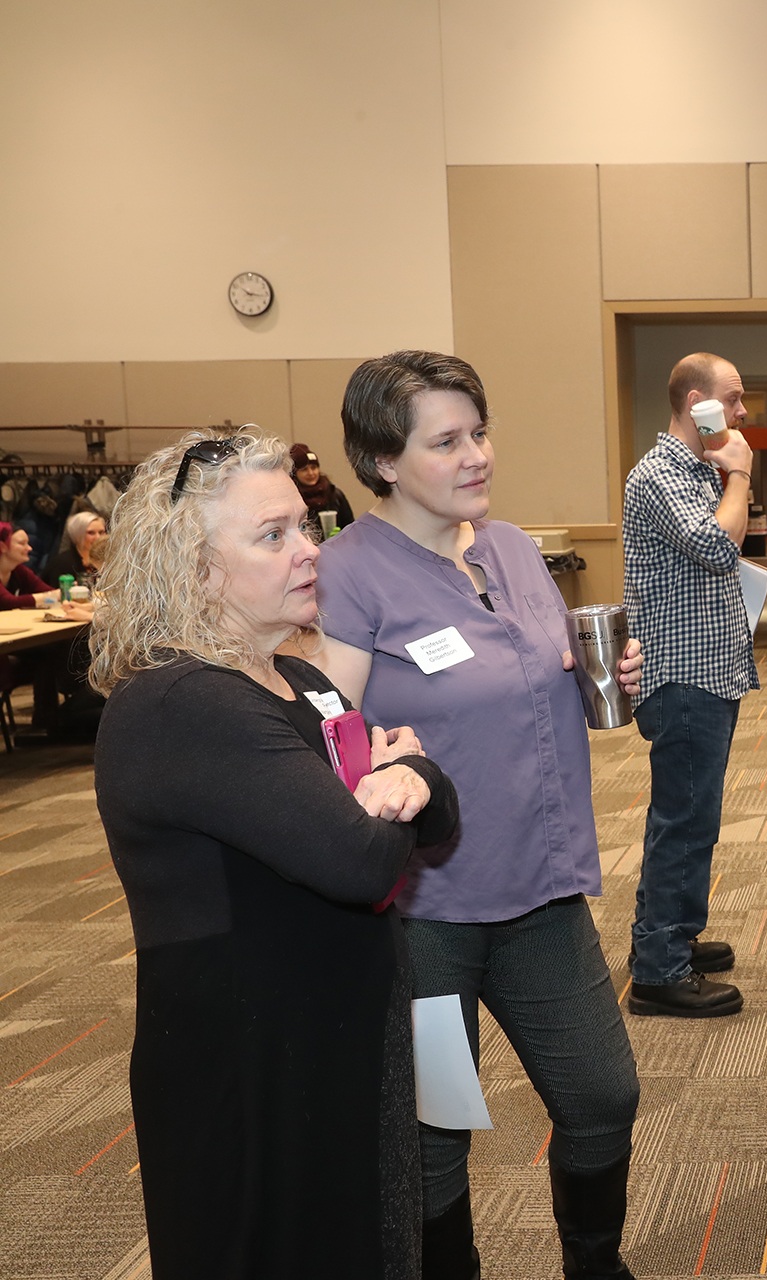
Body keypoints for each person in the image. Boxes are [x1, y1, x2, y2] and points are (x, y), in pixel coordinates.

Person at [89, 431, 459, 1280]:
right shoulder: (180, 702)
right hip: (252, 1065)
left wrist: (413, 779)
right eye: (274, 535)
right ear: (192, 567)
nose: (309, 550)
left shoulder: (299, 680)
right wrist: (407, 774)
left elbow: (433, 819)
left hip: (334, 1036)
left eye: (307, 525)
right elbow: (362, 858)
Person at [314, 351, 645, 1280]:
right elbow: (333, 746)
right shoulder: (348, 574)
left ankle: (595, 1264)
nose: (477, 457)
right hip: (427, 914)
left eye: (480, 433)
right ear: (383, 461)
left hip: (541, 889)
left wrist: (601, 680)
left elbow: (535, 687)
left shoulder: (507, 547)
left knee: (602, 1096)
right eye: (447, 441)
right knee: (436, 1128)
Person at [619, 352, 757, 1017]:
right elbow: (720, 545)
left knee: (689, 816)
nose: (741, 412)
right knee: (684, 820)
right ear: (697, 401)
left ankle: (668, 934)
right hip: (682, 678)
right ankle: (659, 968)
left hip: (709, 670)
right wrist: (741, 474)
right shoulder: (658, 475)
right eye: (732, 399)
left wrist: (727, 471)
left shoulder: (698, 469)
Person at [291, 441, 356, 530]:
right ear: (295, 473)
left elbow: (350, 527)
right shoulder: (293, 499)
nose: (310, 473)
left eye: (314, 468)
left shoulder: (334, 494)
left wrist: (340, 537)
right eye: (304, 469)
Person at [0, 521, 58, 609]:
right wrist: (50, 596)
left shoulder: (19, 570)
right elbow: (8, 602)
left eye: (28, 543)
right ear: (2, 547)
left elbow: (48, 590)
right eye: (22, 543)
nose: (29, 548)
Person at [44, 509, 107, 587]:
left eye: (101, 532)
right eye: (91, 533)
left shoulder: (108, 560)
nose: (98, 537)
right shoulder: (62, 563)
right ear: (78, 535)